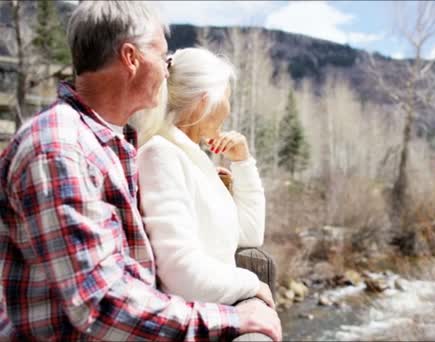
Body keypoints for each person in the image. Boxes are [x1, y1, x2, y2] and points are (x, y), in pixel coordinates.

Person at [0, 1, 281, 340]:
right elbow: (101, 305)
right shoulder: (59, 150)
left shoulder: (112, 143)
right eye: (162, 58)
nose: (167, 72)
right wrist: (234, 320)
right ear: (131, 58)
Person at [131, 47, 272, 308]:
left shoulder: (191, 159)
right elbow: (181, 275)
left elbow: (250, 234)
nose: (229, 109)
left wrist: (243, 162)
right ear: (205, 103)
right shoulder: (160, 156)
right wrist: (252, 283)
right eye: (227, 98)